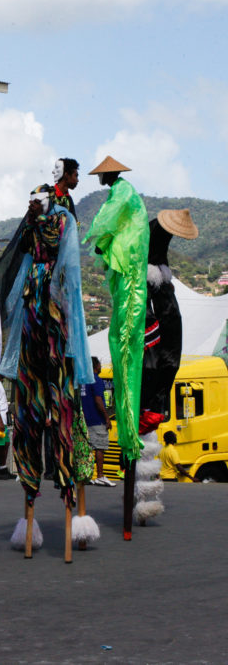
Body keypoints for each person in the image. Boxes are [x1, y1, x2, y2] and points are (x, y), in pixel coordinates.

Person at [0, 185, 93, 533]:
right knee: (28, 408)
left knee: (63, 408)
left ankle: (69, 491)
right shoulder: (30, 224)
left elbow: (69, 267)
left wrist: (59, 302)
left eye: (39, 198)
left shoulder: (63, 220)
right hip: (32, 307)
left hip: (54, 312)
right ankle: (29, 491)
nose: (33, 201)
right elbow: (19, 256)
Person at [84, 156, 149, 537]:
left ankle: (129, 436)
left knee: (125, 342)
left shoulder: (123, 194)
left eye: (102, 175)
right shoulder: (123, 196)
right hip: (128, 278)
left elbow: (106, 223)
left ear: (112, 174)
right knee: (120, 338)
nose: (101, 180)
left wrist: (96, 238)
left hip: (131, 280)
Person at [134, 209, 199, 522]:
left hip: (161, 316)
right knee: (159, 367)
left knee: (165, 363)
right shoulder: (149, 279)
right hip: (153, 325)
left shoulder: (160, 281)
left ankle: (145, 494)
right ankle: (142, 495)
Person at [81, 357, 113, 486]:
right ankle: (100, 475)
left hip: (84, 420)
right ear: (96, 366)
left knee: (86, 449)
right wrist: (106, 417)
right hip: (97, 420)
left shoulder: (83, 381)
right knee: (100, 447)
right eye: (100, 364)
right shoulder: (96, 380)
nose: (101, 366)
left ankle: (86, 475)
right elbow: (98, 400)